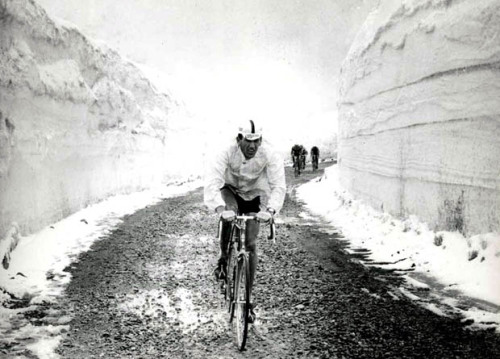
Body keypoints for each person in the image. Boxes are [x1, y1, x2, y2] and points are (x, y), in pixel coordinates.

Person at [204, 119, 286, 322]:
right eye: (248, 141)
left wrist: (271, 209)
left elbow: (279, 185)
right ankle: (223, 259)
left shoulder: (269, 153)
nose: (252, 146)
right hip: (230, 190)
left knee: (250, 244)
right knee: (230, 213)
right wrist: (220, 208)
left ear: (261, 140)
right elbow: (212, 181)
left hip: (252, 194)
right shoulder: (226, 151)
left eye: (256, 140)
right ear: (239, 139)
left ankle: (248, 301)